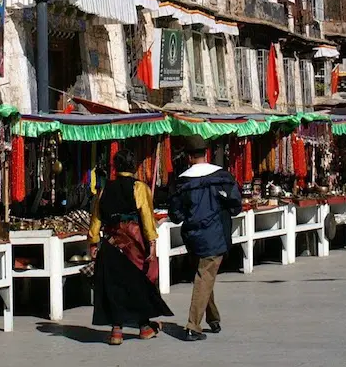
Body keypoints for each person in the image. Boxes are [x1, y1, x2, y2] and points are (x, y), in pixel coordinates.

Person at [88, 149, 173, 345]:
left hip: (111, 244)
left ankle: (116, 331)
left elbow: (96, 218)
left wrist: (93, 243)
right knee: (138, 284)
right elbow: (147, 219)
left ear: (115, 167)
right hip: (133, 243)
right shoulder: (139, 188)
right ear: (133, 167)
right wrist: (151, 246)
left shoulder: (104, 189)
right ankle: (144, 327)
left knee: (115, 286)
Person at [168, 135, 241, 342]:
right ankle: (193, 326)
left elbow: (176, 215)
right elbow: (235, 206)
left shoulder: (182, 182)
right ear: (206, 153)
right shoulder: (222, 178)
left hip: (193, 237)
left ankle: (214, 318)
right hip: (215, 234)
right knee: (204, 277)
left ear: (189, 157)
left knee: (203, 276)